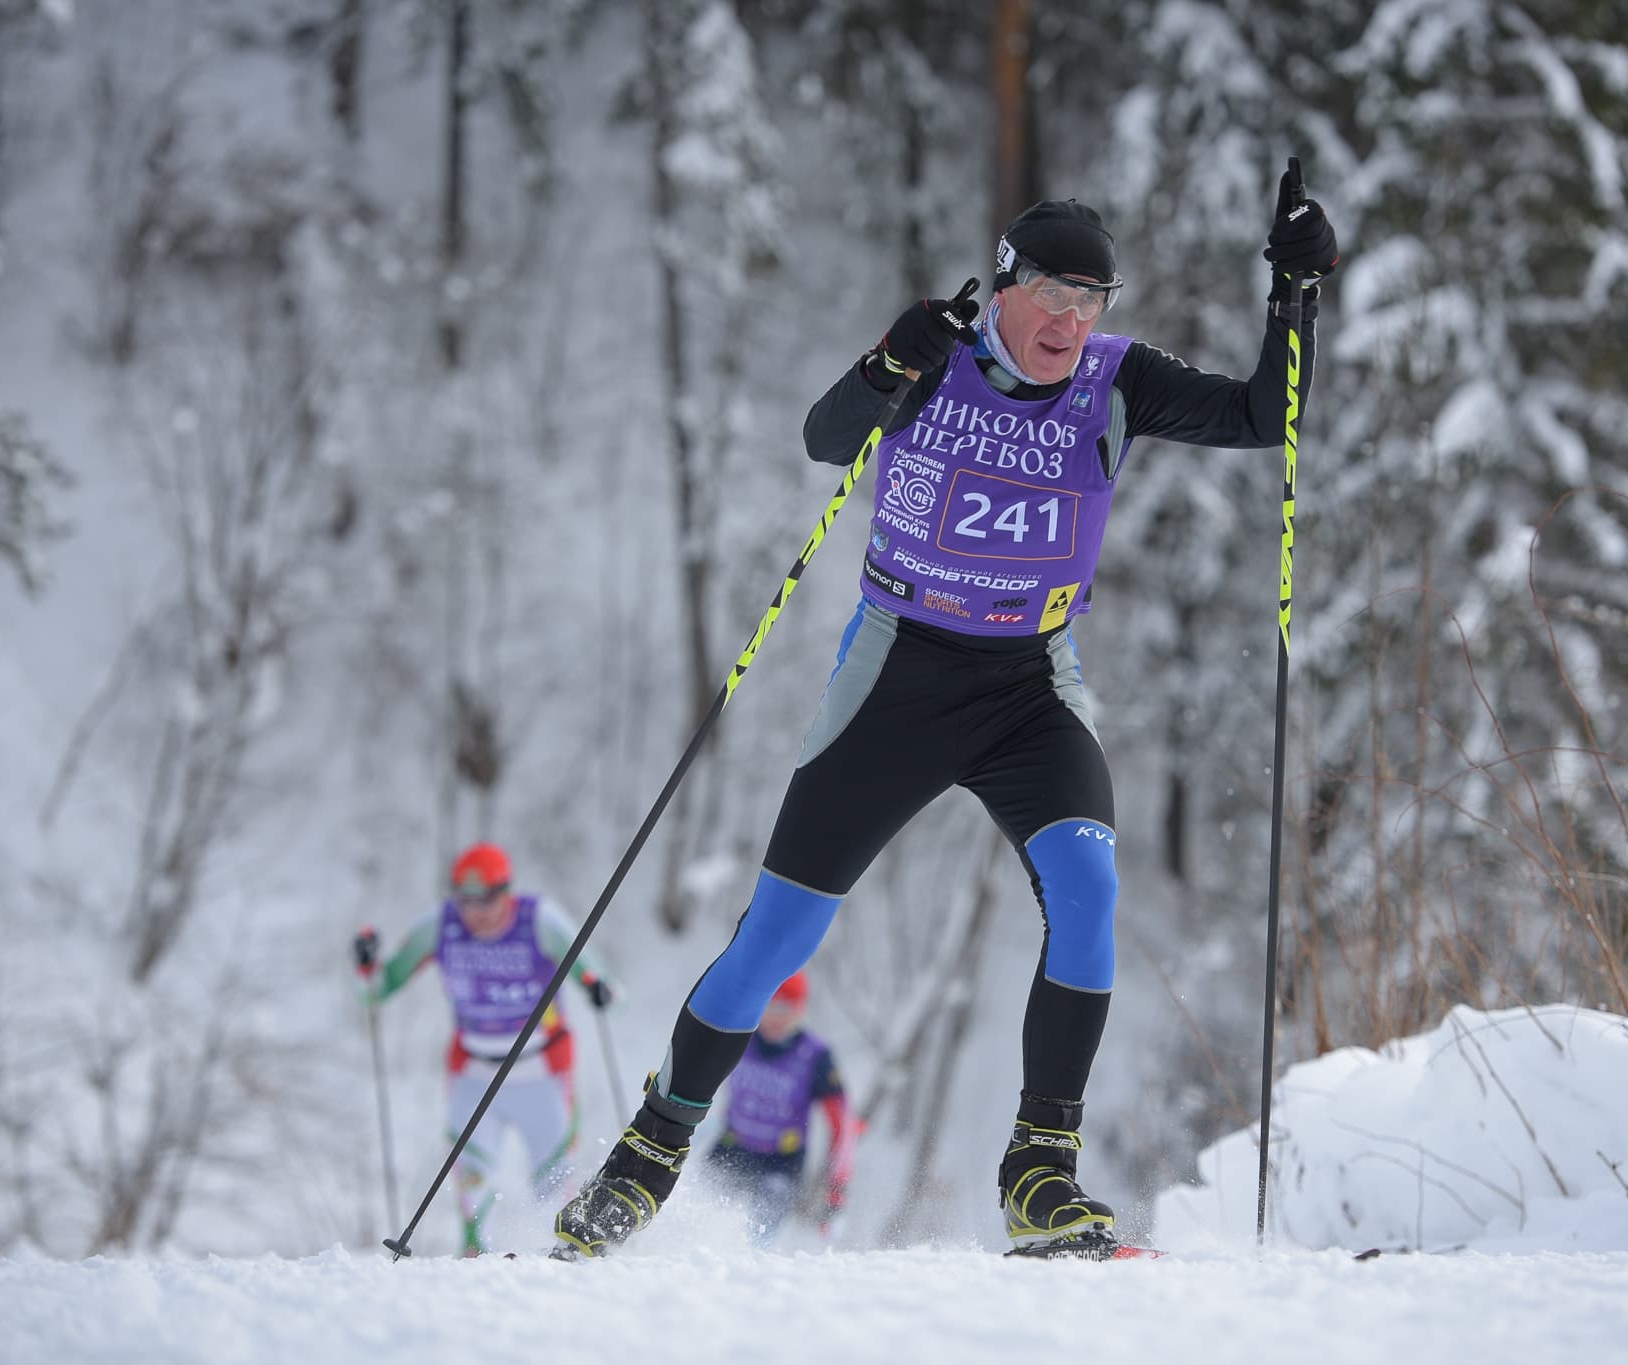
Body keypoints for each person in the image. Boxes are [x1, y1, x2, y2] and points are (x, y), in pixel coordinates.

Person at [552, 159, 1338, 1258]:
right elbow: (828, 440)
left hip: (1027, 684)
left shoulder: (1117, 379)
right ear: (1006, 285)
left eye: (1090, 297)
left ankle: (1038, 1173)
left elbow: (1268, 416)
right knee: (777, 939)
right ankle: (649, 1151)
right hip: (899, 675)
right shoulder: (938, 357)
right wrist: (885, 363)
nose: (1070, 316)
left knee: (1088, 891)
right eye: (1052, 291)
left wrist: (1293, 298)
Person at [356, 841, 618, 1256]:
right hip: (475, 1073)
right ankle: (475, 1263)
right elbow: (377, 989)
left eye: (486, 900)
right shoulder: (441, 926)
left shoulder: (538, 919)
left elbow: (594, 972)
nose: (475, 912)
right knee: (472, 1181)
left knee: (553, 1183)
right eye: (466, 901)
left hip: (541, 1074)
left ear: (506, 892)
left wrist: (597, 987)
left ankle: (553, 1264)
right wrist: (367, 967)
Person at [705, 970, 859, 1246]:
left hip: (780, 1162)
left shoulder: (815, 1056)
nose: (775, 1017)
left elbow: (842, 1123)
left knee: (757, 1237)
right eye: (769, 1006)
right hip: (731, 1147)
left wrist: (836, 1190)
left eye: (785, 1008)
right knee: (701, 1219)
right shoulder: (739, 1036)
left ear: (800, 1010)